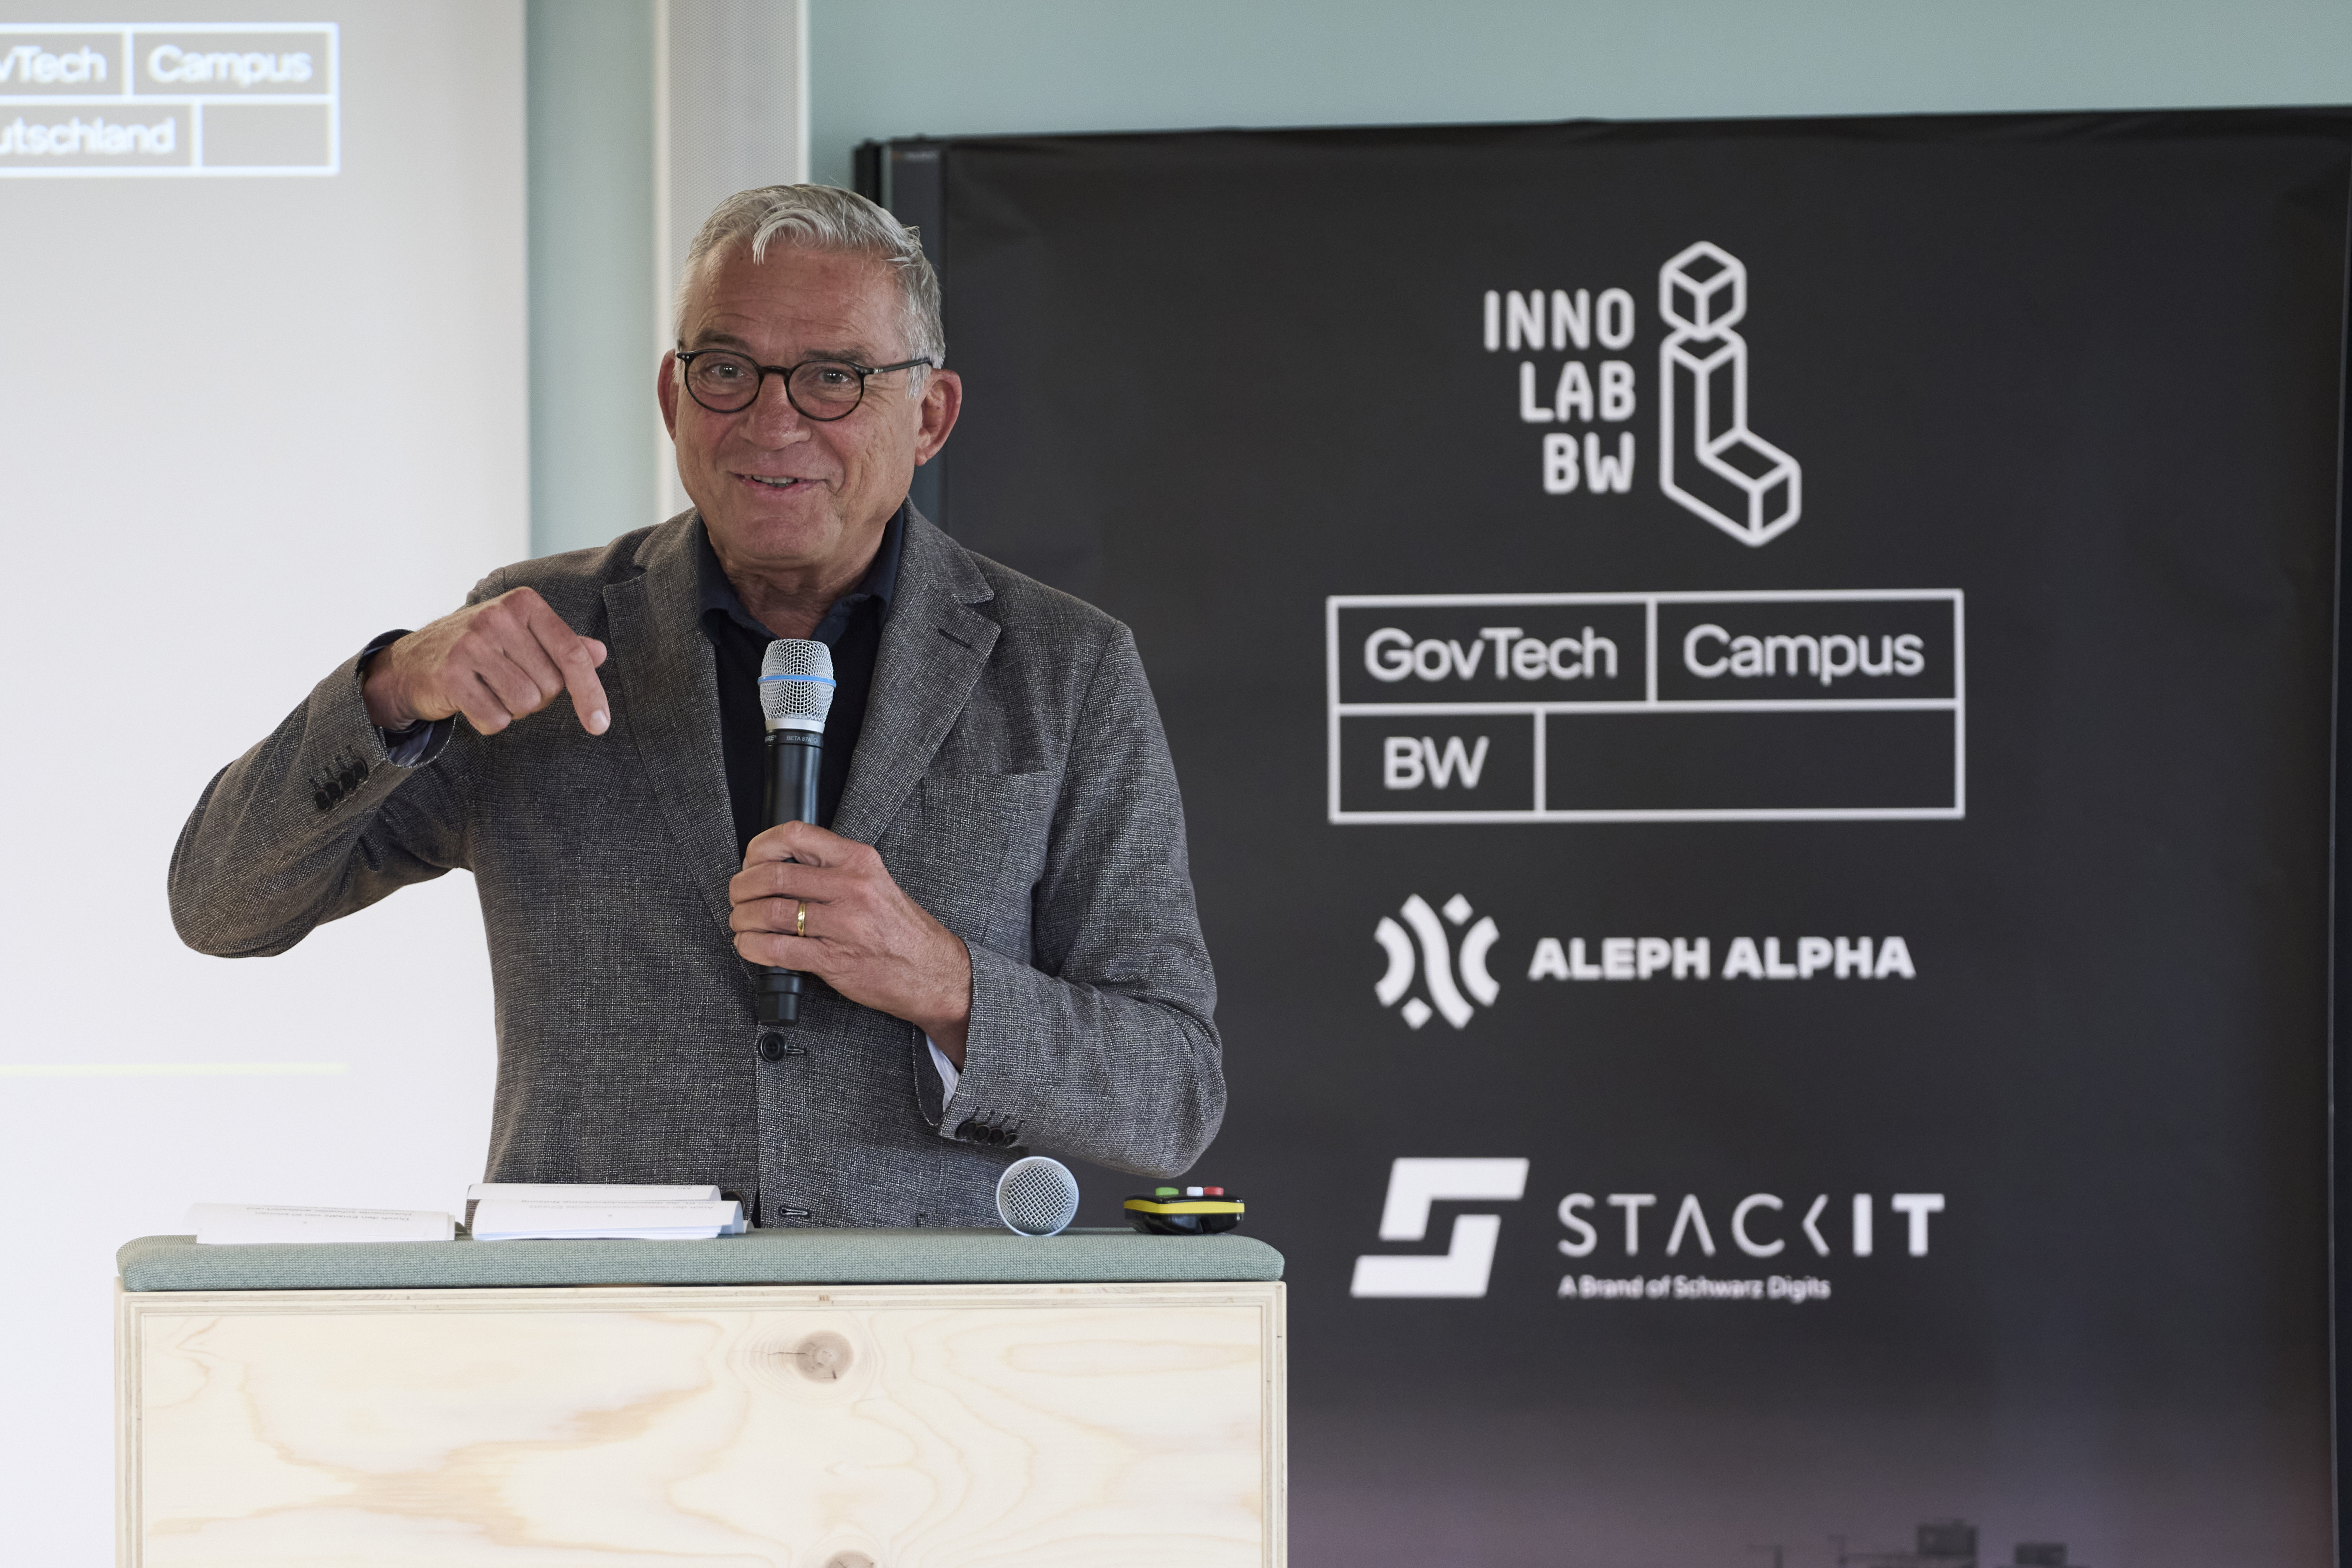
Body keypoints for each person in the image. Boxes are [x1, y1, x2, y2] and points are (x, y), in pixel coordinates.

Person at [168, 186, 1223, 1227]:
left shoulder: (1063, 667)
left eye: (834, 377)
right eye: (727, 370)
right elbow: (221, 906)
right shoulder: (534, 633)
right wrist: (390, 686)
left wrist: (946, 982)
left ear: (931, 415)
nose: (773, 421)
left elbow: (1173, 1093)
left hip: (920, 1322)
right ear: (674, 399)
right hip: (598, 1314)